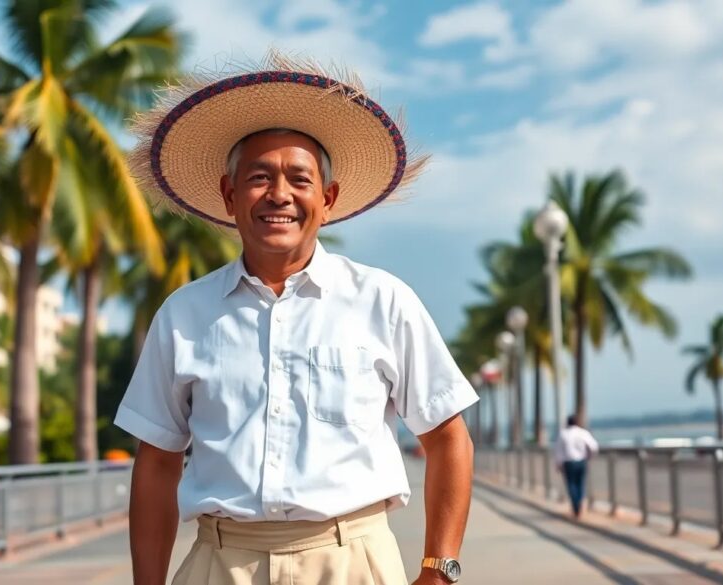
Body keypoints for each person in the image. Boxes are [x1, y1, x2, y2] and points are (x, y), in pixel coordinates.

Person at [116, 54, 478, 585]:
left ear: (326, 200)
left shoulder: (383, 300)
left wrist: (438, 570)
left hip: (353, 560)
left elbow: (448, 438)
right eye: (259, 177)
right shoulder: (184, 314)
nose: (279, 194)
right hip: (221, 560)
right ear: (229, 195)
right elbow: (156, 462)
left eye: (299, 180)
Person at [554, 415, 599, 519]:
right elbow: (594, 446)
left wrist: (558, 464)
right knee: (580, 483)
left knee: (571, 485)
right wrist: (589, 456)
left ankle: (576, 506)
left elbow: (559, 451)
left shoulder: (563, 434)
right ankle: (579, 503)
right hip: (581, 461)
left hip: (568, 463)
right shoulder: (582, 432)